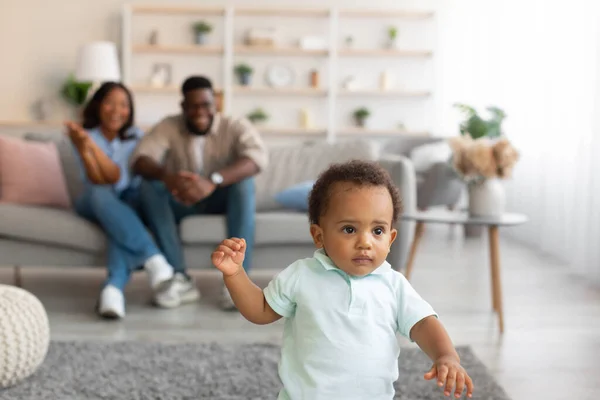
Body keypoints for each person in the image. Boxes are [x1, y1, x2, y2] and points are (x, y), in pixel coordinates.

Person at [211, 160, 475, 400]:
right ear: (319, 236)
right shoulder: (301, 275)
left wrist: (446, 355)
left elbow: (423, 323)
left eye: (378, 230)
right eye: (349, 229)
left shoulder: (394, 285)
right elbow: (260, 310)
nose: (365, 242)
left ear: (391, 239)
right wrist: (235, 273)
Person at [131, 75, 268, 310]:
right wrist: (169, 177)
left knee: (244, 184)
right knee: (149, 187)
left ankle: (237, 280)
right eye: (193, 106)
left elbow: (257, 159)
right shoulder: (169, 126)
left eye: (205, 105)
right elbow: (140, 160)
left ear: (215, 105)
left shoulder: (234, 125)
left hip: (222, 199)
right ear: (183, 107)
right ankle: (179, 278)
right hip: (182, 198)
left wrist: (213, 181)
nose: (199, 111)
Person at [66, 82, 176, 319]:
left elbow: (117, 175)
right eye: (110, 103)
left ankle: (112, 291)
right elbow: (98, 179)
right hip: (94, 200)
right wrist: (86, 148)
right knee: (101, 193)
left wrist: (89, 147)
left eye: (123, 105)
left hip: (127, 201)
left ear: (130, 110)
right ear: (98, 106)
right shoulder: (84, 135)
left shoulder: (137, 137)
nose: (117, 110)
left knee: (120, 223)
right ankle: (154, 258)